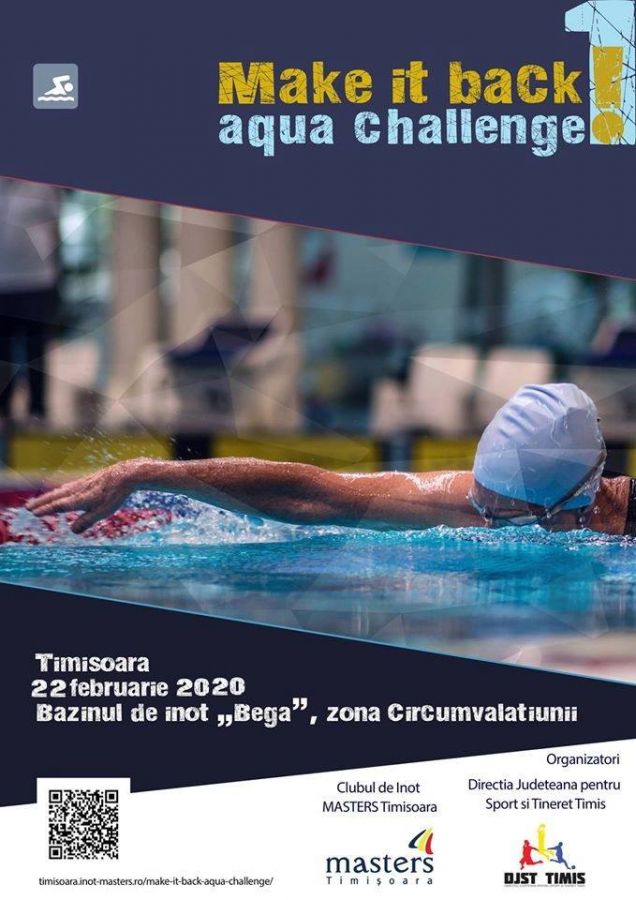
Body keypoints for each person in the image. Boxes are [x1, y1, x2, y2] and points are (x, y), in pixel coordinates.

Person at [26, 383, 633, 537]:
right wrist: (151, 472)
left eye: (501, 510)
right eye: (482, 496)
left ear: (572, 504)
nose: (481, 513)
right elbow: (315, 491)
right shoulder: (468, 500)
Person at [0, 179, 62, 426]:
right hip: (2, 281)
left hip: (37, 280)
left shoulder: (43, 185)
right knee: (2, 350)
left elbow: (55, 228)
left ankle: (38, 410)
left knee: (36, 348)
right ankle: (3, 409)